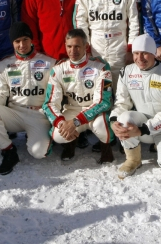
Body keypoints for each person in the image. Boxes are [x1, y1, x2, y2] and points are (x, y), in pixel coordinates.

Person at [0, 22, 55, 175]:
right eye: (17, 41)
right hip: (14, 113)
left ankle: (47, 135)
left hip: (38, 115)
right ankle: (8, 151)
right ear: (12, 43)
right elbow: (0, 93)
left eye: (25, 39)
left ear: (31, 40)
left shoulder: (49, 63)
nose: (22, 45)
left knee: (39, 153)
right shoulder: (4, 65)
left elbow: (55, 95)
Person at [110, 34, 161, 178]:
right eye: (136, 53)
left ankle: (160, 144)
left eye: (145, 53)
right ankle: (133, 159)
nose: (140, 58)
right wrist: (114, 121)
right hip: (141, 122)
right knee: (124, 118)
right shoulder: (126, 72)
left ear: (154, 54)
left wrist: (142, 130)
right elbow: (121, 103)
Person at [74, 0, 141, 90]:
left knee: (121, 91)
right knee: (97, 91)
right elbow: (80, 22)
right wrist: (85, 48)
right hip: (95, 47)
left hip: (120, 47)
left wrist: (131, 49)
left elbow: (135, 22)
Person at [42, 29, 115, 162]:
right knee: (57, 134)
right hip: (72, 109)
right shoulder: (58, 70)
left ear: (86, 47)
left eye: (77, 46)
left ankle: (106, 148)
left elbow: (104, 102)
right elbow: (50, 103)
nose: (72, 50)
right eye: (69, 46)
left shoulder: (102, 67)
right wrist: (62, 123)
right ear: (65, 46)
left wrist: (76, 122)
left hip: (95, 110)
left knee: (102, 126)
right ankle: (71, 143)